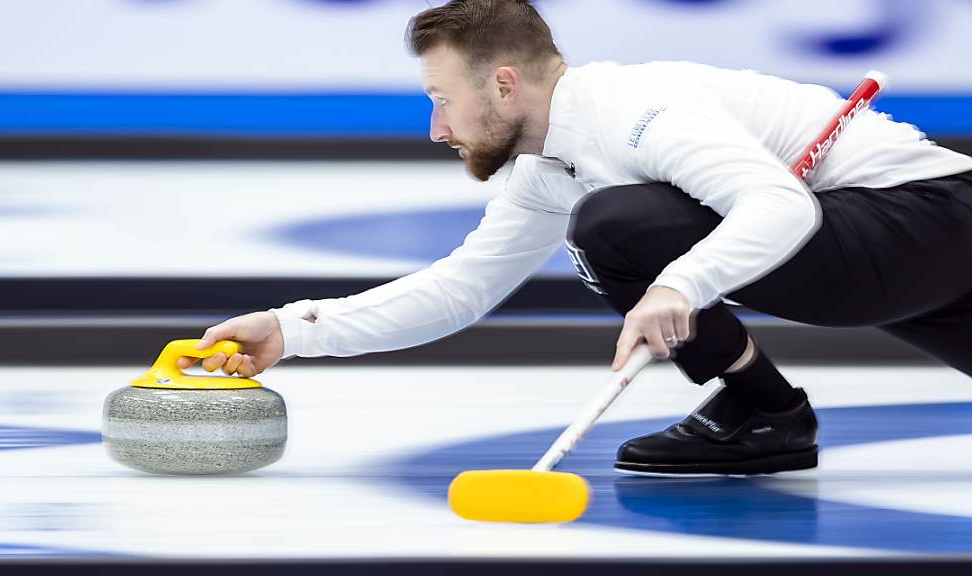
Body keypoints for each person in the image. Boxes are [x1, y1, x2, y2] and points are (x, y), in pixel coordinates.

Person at [179, 0, 972, 476]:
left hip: (926, 215)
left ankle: (762, 412)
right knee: (614, 224)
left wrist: (678, 284)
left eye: (442, 100)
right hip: (911, 246)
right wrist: (292, 330)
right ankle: (763, 412)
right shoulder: (549, 164)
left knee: (615, 228)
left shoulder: (637, 110)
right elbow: (461, 289)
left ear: (502, 84)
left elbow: (782, 209)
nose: (435, 129)